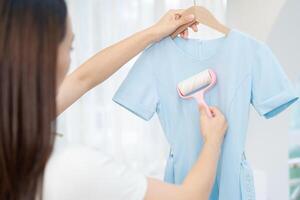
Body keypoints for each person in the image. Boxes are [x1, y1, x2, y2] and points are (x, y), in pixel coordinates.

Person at [0, 0, 228, 200]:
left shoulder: (14, 122)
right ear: (48, 56)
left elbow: (83, 78)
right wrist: (213, 140)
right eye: (70, 47)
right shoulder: (72, 167)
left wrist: (154, 32)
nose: (70, 58)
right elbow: (189, 197)